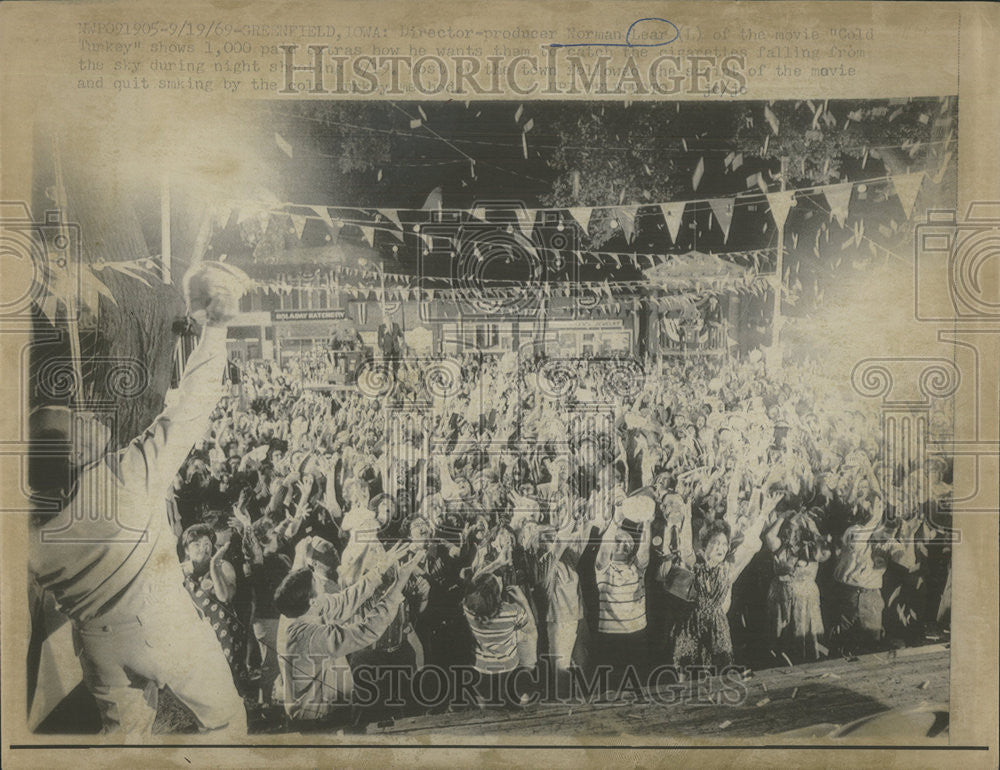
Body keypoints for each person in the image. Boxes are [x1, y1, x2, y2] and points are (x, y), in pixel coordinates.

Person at [28, 261, 250, 737]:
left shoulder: (27, 528)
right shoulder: (126, 477)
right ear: (74, 456)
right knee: (226, 721)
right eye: (77, 424)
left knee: (123, 739)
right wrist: (216, 328)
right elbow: (193, 405)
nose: (87, 416)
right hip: (162, 623)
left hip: (97, 643)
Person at [274, 545, 419, 727]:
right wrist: (398, 586)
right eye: (318, 585)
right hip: (317, 723)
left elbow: (345, 600)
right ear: (312, 601)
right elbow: (364, 631)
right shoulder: (307, 636)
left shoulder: (297, 609)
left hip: (327, 712)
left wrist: (381, 567)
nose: (324, 586)